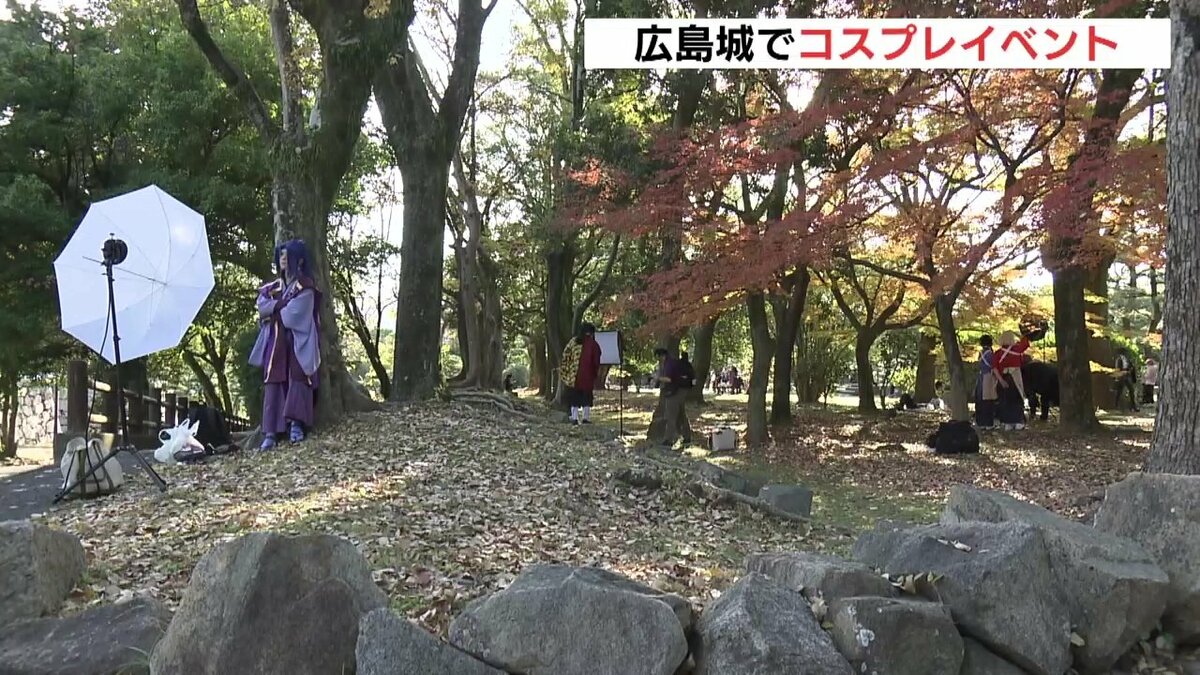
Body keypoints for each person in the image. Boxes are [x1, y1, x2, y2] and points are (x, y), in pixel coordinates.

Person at [248, 240, 321, 450]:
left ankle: (296, 424)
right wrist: (279, 306)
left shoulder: (306, 287)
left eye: (287, 255)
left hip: (298, 340)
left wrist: (274, 310)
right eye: (280, 255)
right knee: (274, 380)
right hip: (276, 341)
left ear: (299, 260)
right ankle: (271, 431)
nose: (283, 259)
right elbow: (262, 308)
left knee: (298, 377)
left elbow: (292, 316)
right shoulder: (273, 288)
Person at [561, 322, 601, 425]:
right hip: (587, 377)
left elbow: (565, 355)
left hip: (574, 376)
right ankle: (585, 418)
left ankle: (574, 418)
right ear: (591, 332)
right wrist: (594, 373)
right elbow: (596, 361)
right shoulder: (593, 344)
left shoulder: (573, 342)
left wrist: (568, 369)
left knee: (574, 398)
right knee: (586, 397)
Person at [993, 330, 1031, 430]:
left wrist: (1001, 380)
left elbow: (995, 368)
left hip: (1004, 377)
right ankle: (1018, 421)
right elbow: (1025, 341)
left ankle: (1007, 423)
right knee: (1017, 399)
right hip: (1015, 377)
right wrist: (1019, 334)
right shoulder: (1017, 349)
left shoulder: (998, 353)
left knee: (1005, 400)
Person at [654, 348, 690, 448]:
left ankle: (669, 440)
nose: (658, 360)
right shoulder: (673, 362)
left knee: (671, 415)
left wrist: (658, 378)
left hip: (674, 392)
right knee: (681, 415)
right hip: (681, 390)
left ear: (662, 356)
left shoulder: (669, 364)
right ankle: (687, 436)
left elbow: (669, 379)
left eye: (658, 357)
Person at [975, 335, 998, 430]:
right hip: (988, 378)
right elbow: (994, 367)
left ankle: (980, 422)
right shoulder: (991, 354)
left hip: (980, 378)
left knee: (980, 400)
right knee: (988, 401)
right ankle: (988, 423)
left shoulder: (980, 353)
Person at [1114, 347, 1140, 413]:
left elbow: (1131, 366)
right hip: (1122, 376)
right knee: (1119, 391)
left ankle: (1133, 406)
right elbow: (1117, 368)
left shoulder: (1127, 359)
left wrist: (1131, 369)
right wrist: (1118, 376)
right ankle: (1116, 405)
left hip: (1127, 375)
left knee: (1131, 390)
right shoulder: (1119, 359)